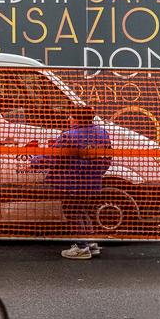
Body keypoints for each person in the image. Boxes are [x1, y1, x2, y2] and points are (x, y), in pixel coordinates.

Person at [31, 105, 112, 260]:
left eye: (71, 116)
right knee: (81, 210)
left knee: (72, 212)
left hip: (71, 183)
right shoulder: (102, 133)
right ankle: (90, 243)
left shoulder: (69, 136)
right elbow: (107, 159)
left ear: (77, 118)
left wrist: (33, 162)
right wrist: (96, 174)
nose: (69, 119)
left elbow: (52, 156)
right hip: (92, 182)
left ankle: (82, 248)